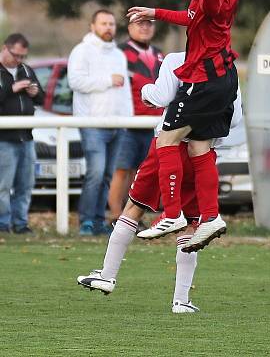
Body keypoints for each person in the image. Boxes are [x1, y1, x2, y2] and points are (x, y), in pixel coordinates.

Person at [76, 51, 242, 313]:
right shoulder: (227, 65)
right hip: (201, 155)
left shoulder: (177, 59)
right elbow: (235, 118)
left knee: (134, 206)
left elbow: (160, 97)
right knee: (191, 225)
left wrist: (145, 90)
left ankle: (107, 276)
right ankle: (181, 300)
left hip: (168, 149)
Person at [128, 0, 239, 252]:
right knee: (198, 147)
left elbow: (215, 8)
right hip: (222, 76)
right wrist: (155, 12)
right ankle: (211, 216)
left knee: (167, 138)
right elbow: (194, 17)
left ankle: (173, 214)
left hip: (204, 79)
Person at [68, 9, 133, 236]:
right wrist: (107, 80)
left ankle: (98, 221)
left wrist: (128, 120)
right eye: (104, 23)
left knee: (107, 175)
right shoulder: (82, 51)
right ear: (92, 26)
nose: (108, 28)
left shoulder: (118, 55)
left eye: (112, 24)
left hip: (118, 124)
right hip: (92, 123)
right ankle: (85, 221)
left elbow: (125, 91)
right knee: (95, 173)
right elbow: (75, 81)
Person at [107, 18, 164, 222]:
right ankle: (115, 214)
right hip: (129, 122)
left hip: (152, 123)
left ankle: (131, 216)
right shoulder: (120, 52)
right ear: (129, 27)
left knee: (140, 172)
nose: (144, 27)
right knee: (122, 168)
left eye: (149, 24)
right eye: (139, 24)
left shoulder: (159, 54)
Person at [0, 33, 43, 234]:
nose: (18, 60)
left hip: (26, 137)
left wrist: (35, 93)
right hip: (4, 139)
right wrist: (12, 88)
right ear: (5, 48)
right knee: (3, 184)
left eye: (22, 56)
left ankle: (20, 223)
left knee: (26, 184)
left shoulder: (26, 70)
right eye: (15, 55)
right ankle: (3, 223)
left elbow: (41, 99)